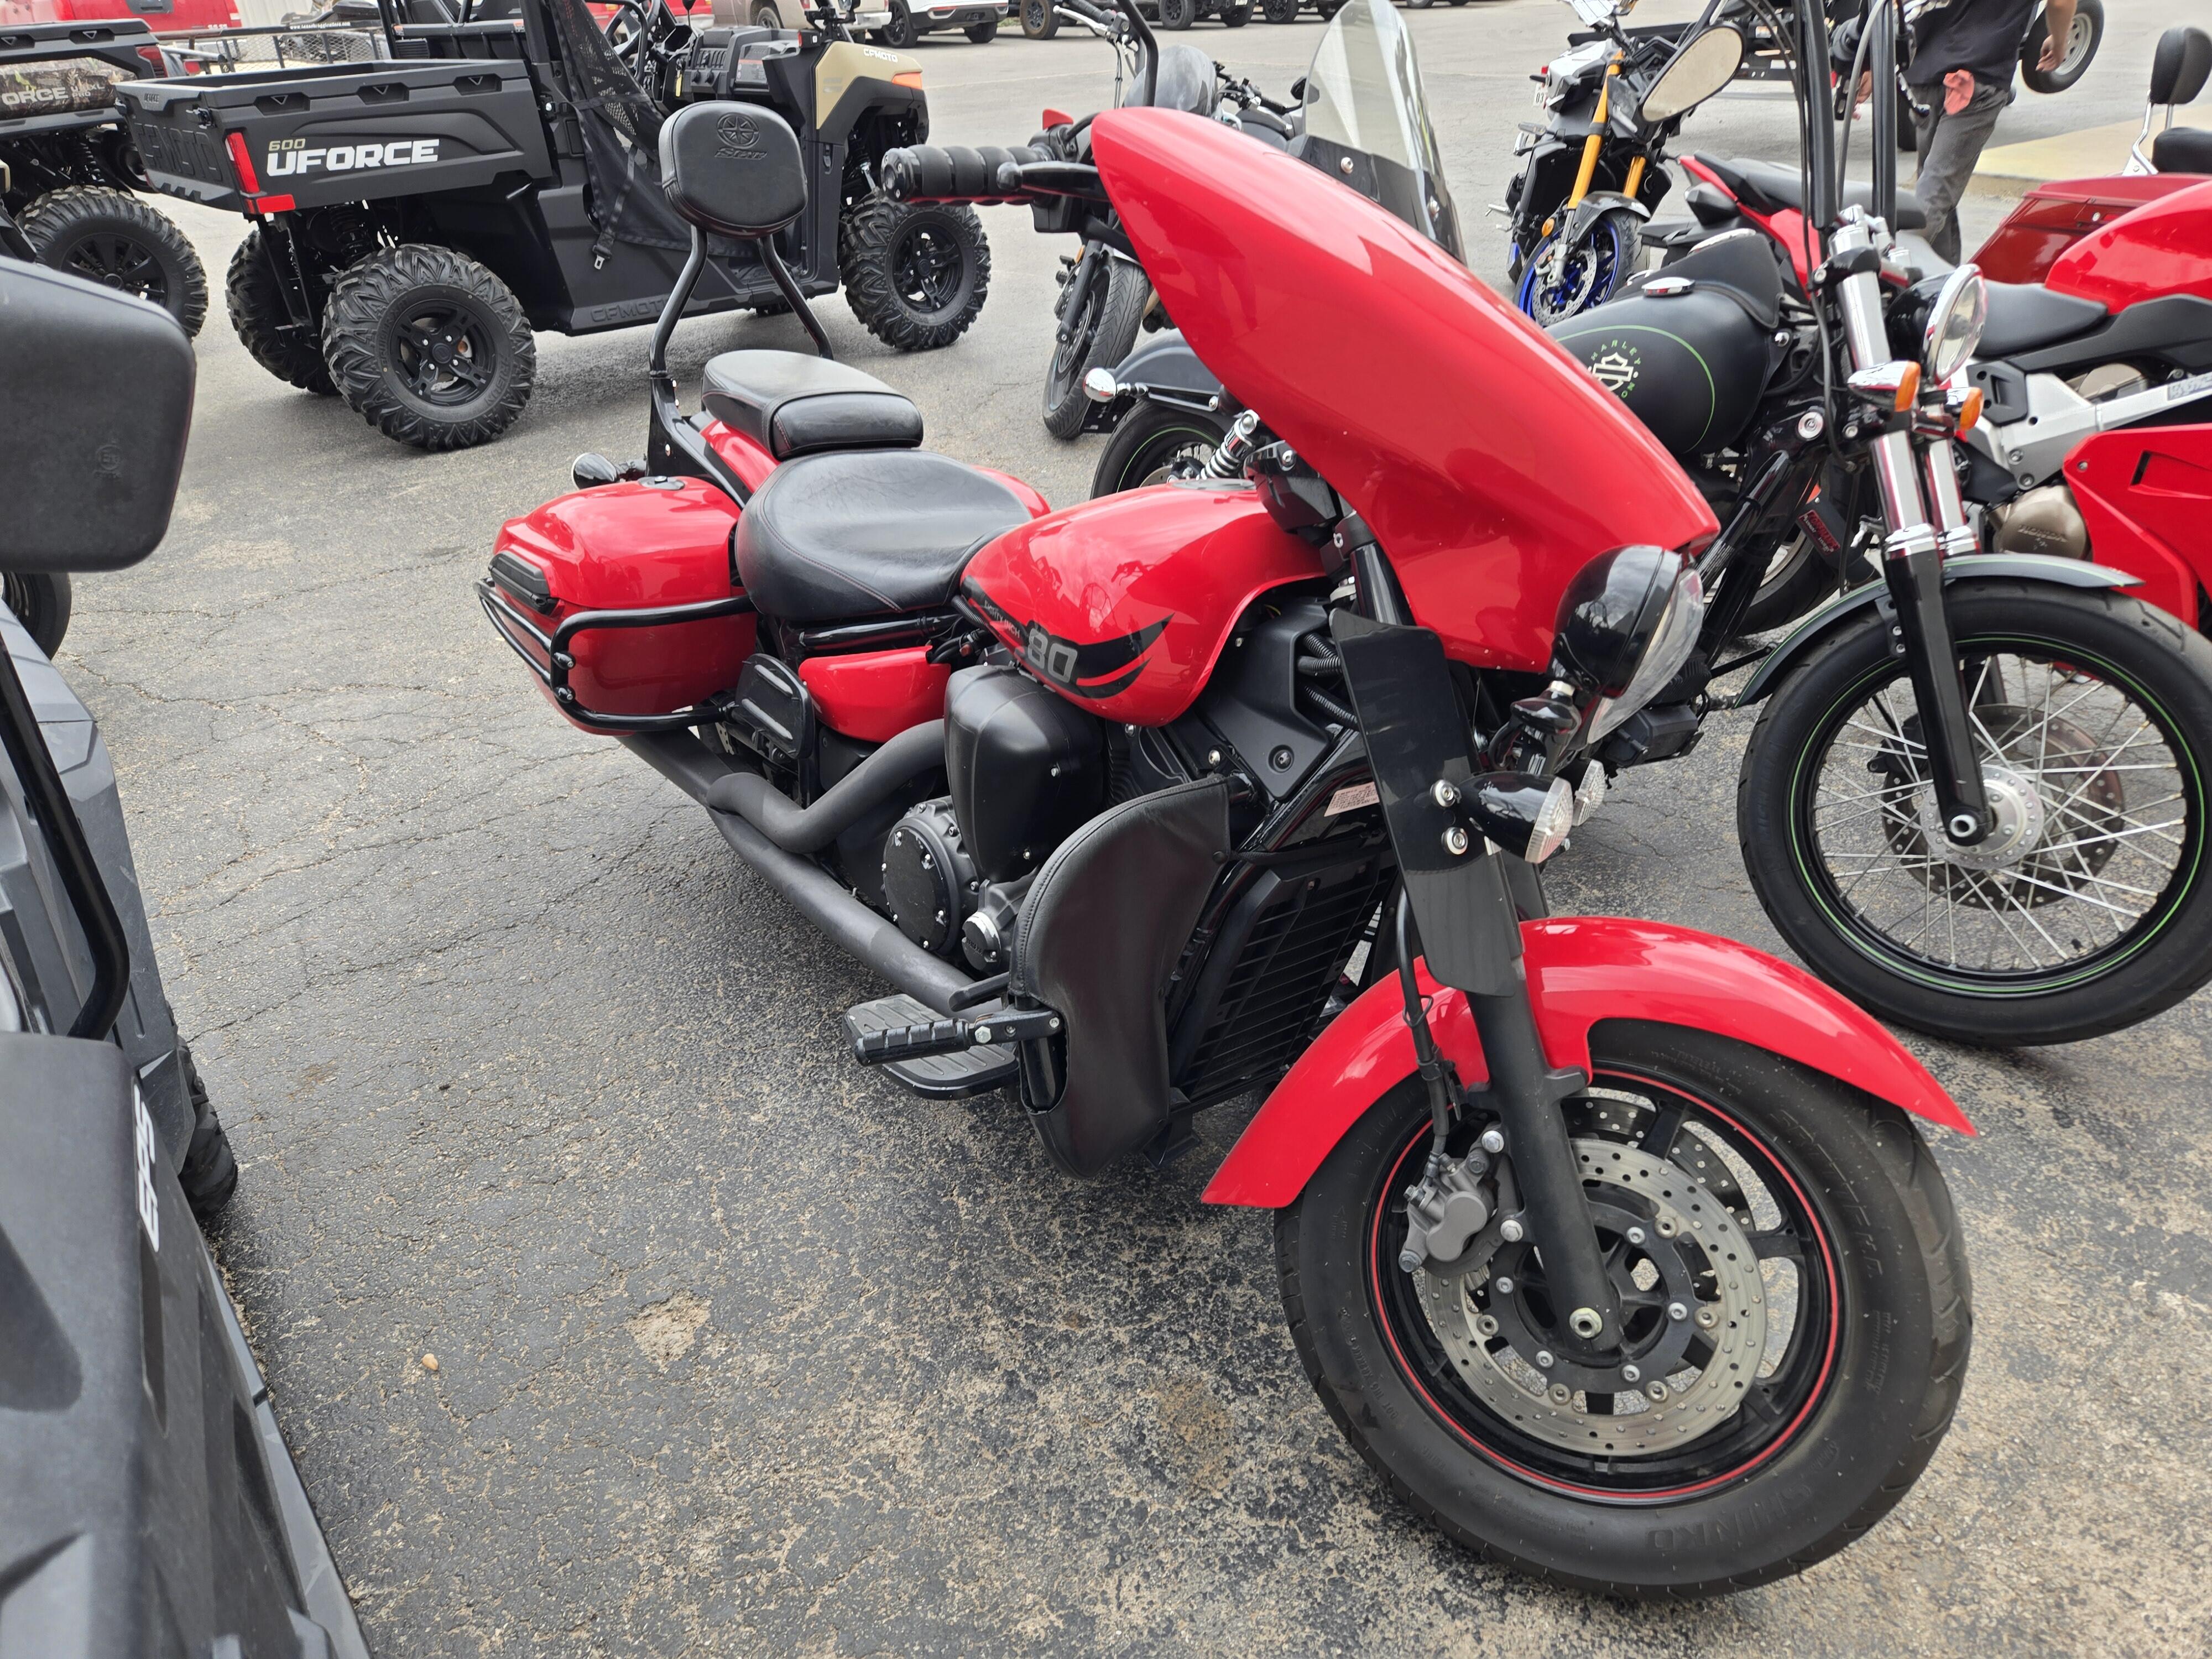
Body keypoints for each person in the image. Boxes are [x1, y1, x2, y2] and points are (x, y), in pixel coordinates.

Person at [1898, 0, 2078, 263]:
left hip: (1924, 72)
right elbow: (2061, 3)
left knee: (1934, 186)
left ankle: (1940, 277)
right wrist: (2060, 43)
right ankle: (1895, 265)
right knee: (1935, 194)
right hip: (1979, 75)